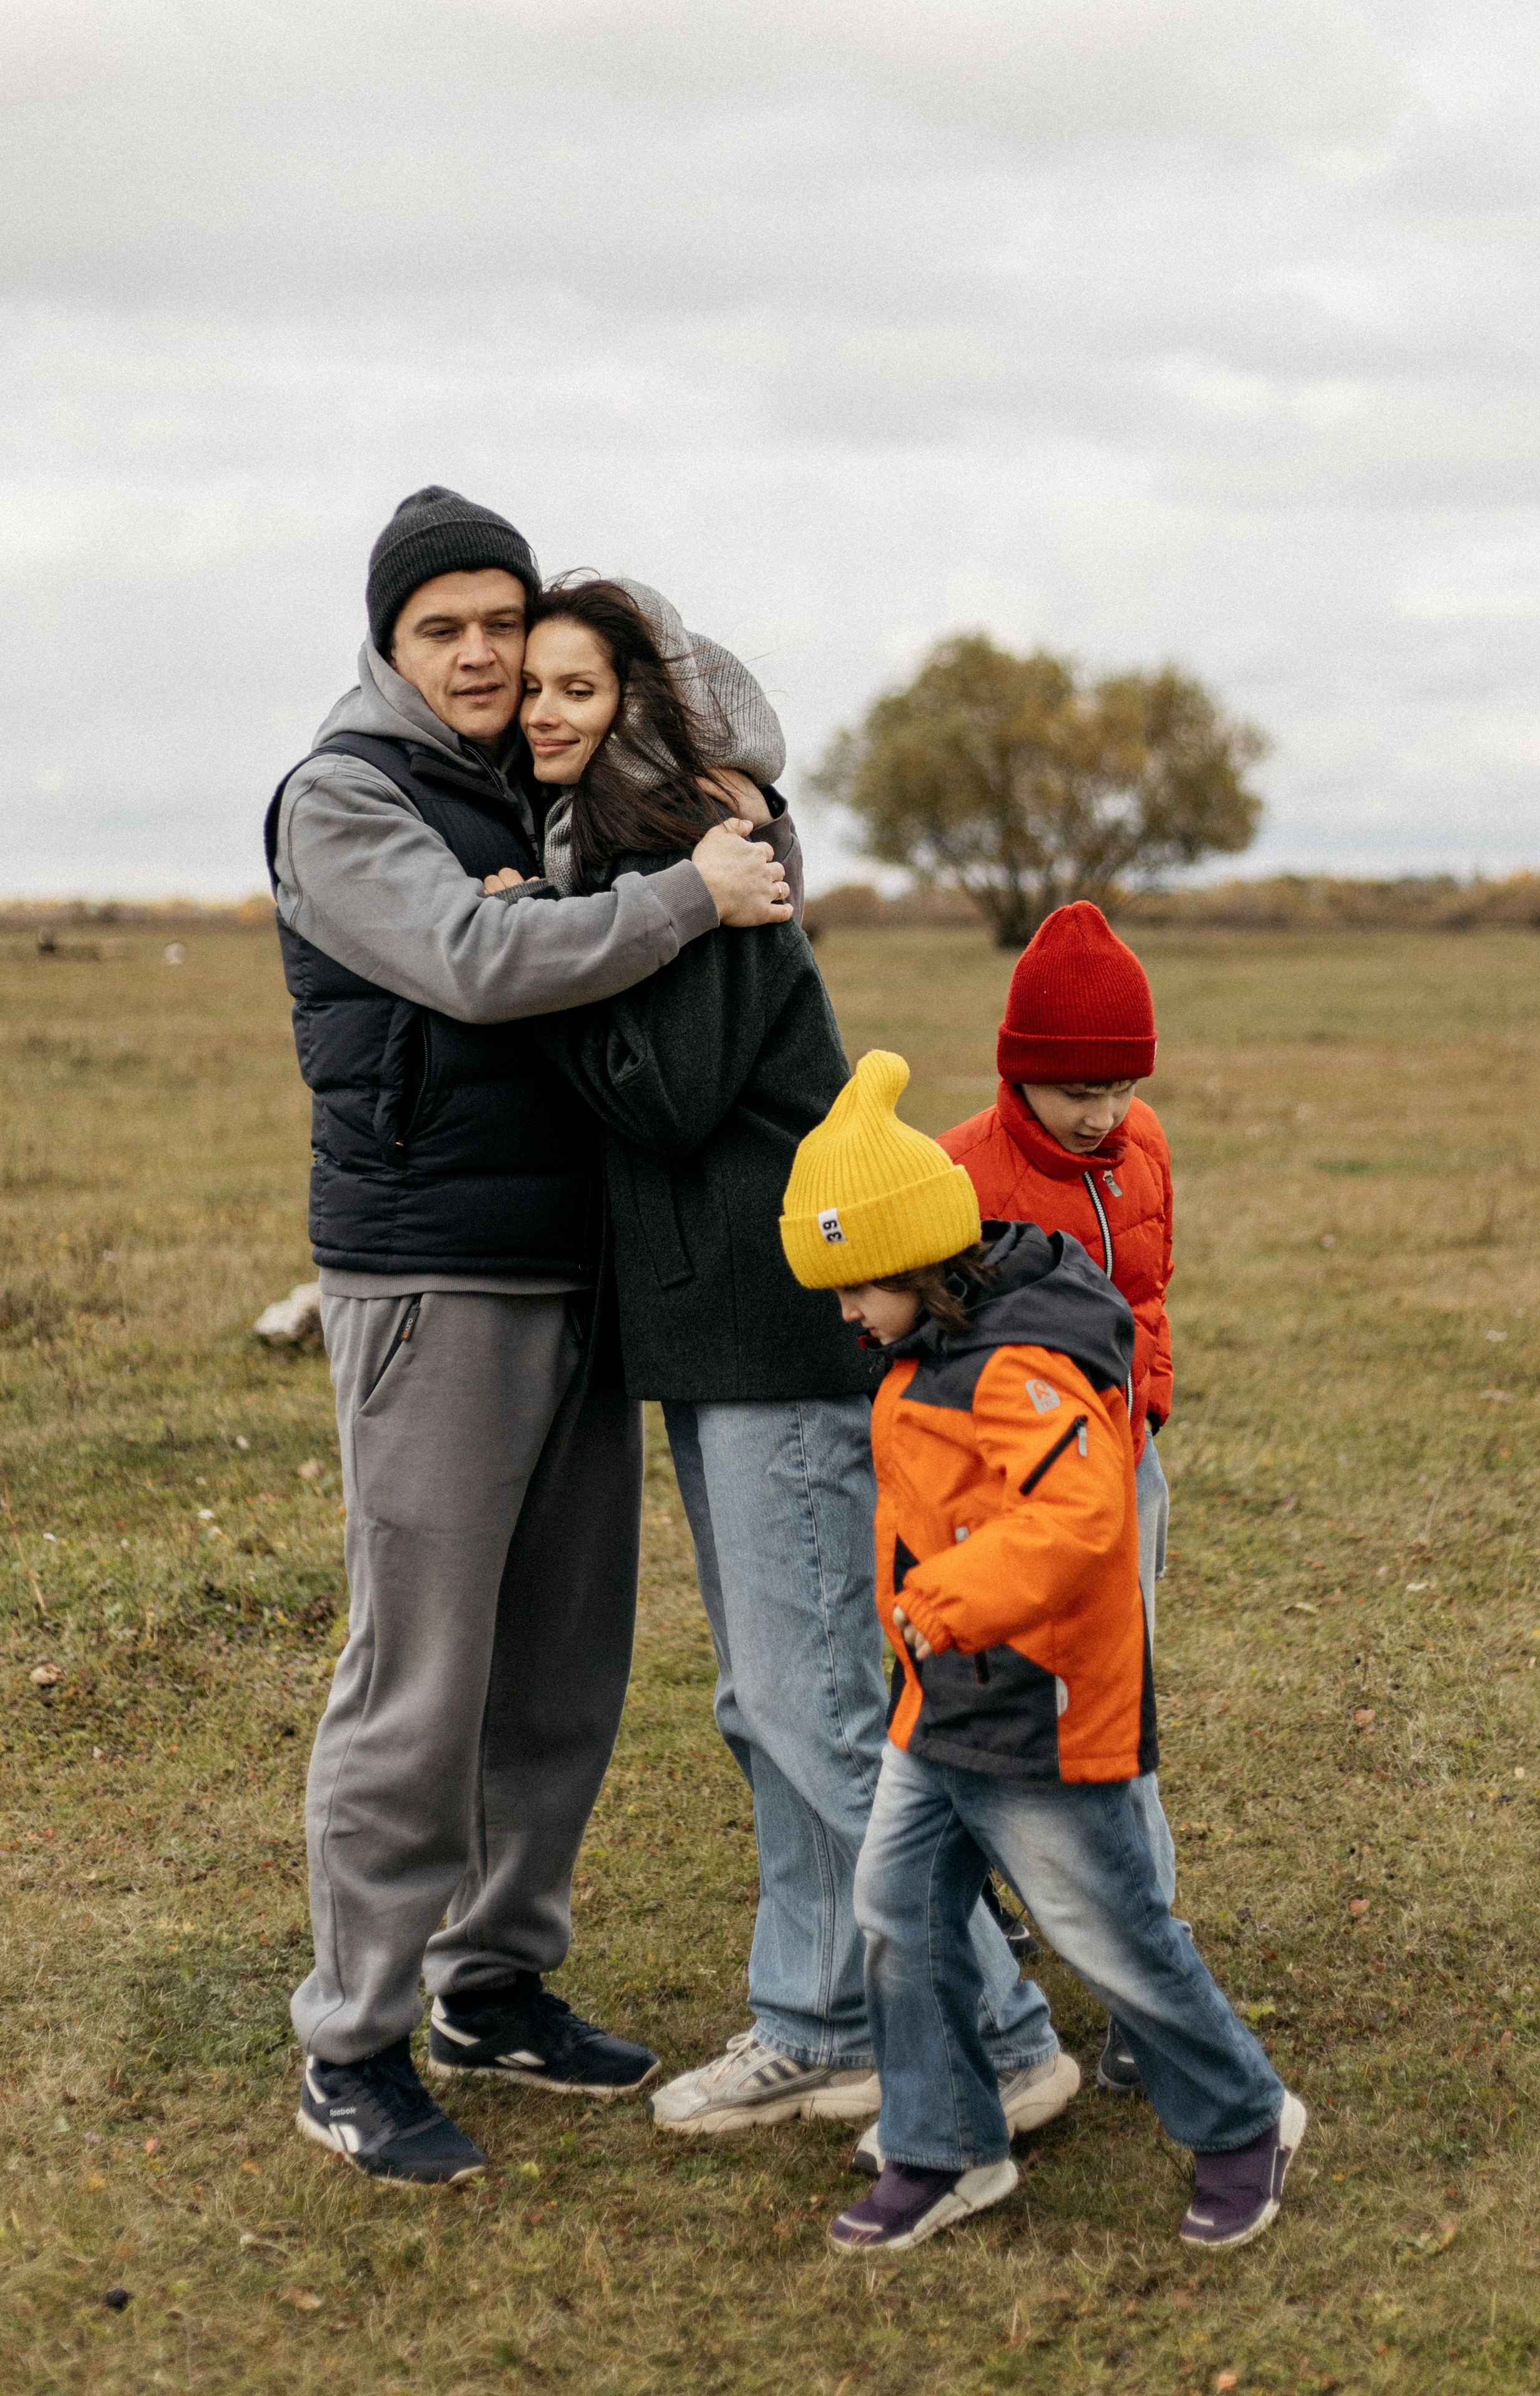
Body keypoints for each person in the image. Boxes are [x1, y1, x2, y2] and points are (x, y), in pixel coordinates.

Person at [479, 578, 1073, 2141]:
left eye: (577, 688)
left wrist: (533, 954)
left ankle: (1001, 2036)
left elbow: (665, 1096)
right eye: (532, 685)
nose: (543, 709)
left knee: (809, 1699)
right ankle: (816, 2022)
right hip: (713, 1329)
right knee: (768, 1701)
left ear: (644, 710)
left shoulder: (701, 864)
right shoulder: (637, 866)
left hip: (779, 1327)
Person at [267, 488, 793, 2186]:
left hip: (587, 1273)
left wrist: (632, 656)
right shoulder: (344, 797)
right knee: (421, 1680)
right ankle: (350, 2040)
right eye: (447, 628)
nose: (487, 653)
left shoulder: (539, 769)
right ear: (387, 644)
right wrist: (691, 900)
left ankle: (493, 1984)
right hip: (436, 1278)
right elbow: (483, 962)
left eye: (506, 621)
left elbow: (727, 718)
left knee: (562, 1670)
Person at [779, 1052, 1306, 2256]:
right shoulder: (928, 1351)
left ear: (917, 1256)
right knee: (897, 1912)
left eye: (856, 1287)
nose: (847, 1315)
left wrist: (954, 1597)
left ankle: (1243, 2122)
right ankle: (944, 2144)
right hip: (945, 1703)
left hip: (1042, 1707)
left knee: (1109, 1930)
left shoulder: (1019, 1364)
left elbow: (1080, 1519)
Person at [938, 902, 1177, 2095]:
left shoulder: (1146, 1154)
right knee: (989, 1720)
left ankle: (1144, 1980)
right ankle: (998, 1906)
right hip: (1000, 1510)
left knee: (1113, 1728)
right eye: (1077, 1088)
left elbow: (1148, 1297)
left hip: (1120, 1484)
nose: (1104, 1114)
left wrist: (1152, 1410)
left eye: (1123, 1085)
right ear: (1017, 1070)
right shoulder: (956, 1173)